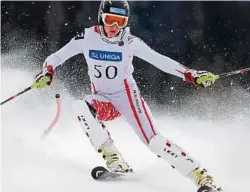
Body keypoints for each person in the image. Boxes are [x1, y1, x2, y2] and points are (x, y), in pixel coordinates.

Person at [33, 1, 221, 191]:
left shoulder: (130, 42)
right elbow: (56, 57)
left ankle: (201, 176)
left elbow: (160, 61)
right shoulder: (86, 38)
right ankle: (114, 158)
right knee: (81, 106)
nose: (114, 27)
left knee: (154, 141)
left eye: (120, 22)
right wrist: (47, 72)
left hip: (128, 99)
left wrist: (190, 74)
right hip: (104, 101)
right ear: (101, 18)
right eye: (110, 20)